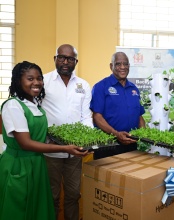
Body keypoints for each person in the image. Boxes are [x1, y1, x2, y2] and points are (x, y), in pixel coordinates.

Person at [0, 61, 88, 220]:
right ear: (18, 81)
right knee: (19, 207)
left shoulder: (35, 105)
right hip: (19, 165)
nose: (36, 83)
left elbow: (38, 135)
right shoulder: (13, 105)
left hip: (37, 163)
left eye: (39, 78)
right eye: (30, 79)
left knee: (36, 207)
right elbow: (25, 143)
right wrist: (64, 148)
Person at [42, 44, 93, 220]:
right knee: (52, 196)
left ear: (75, 61)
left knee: (73, 195)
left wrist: (87, 141)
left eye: (70, 59)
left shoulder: (83, 85)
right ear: (55, 59)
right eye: (62, 57)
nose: (65, 62)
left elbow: (86, 116)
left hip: (75, 154)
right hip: (51, 151)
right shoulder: (43, 81)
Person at [90, 51, 145, 159]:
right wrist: (116, 134)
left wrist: (143, 134)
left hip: (131, 145)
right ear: (111, 66)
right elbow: (97, 117)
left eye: (125, 64)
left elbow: (139, 116)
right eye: (118, 64)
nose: (122, 67)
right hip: (108, 145)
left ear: (129, 66)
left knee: (131, 174)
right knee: (106, 176)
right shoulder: (100, 87)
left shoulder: (134, 89)